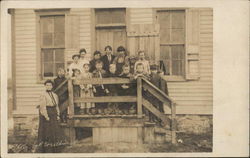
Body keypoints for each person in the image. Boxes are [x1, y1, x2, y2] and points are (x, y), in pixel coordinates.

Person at [37, 80, 65, 153]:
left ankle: (55, 148)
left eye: (50, 85)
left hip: (54, 113)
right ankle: (47, 149)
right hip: (47, 113)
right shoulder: (43, 95)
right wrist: (46, 116)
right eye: (47, 85)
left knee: (55, 129)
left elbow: (56, 106)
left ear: (52, 86)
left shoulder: (55, 95)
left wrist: (58, 114)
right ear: (45, 86)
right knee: (48, 131)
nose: (48, 86)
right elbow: (42, 107)